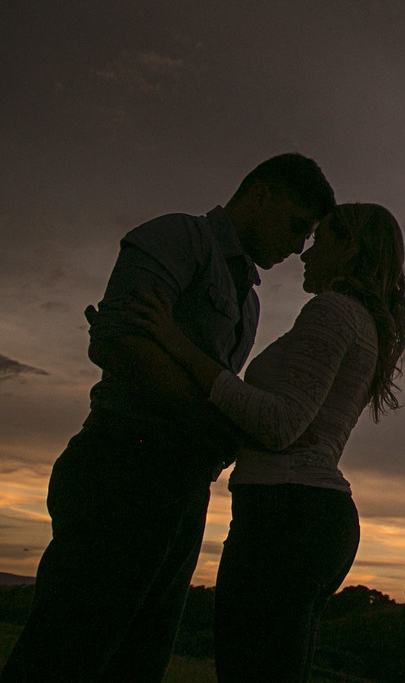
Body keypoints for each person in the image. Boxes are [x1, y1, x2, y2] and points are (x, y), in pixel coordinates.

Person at [0, 154, 336, 683]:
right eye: (297, 226)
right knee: (66, 655)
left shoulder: (248, 300)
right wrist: (221, 425)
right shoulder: (179, 237)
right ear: (261, 195)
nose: (298, 247)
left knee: (139, 662)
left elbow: (207, 383)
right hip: (124, 463)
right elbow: (120, 340)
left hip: (184, 486)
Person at [129, 202, 405, 683]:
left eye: (320, 241)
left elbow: (279, 425)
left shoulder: (334, 311)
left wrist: (175, 343)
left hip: (286, 520)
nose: (305, 253)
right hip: (304, 518)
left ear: (350, 249)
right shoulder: (361, 322)